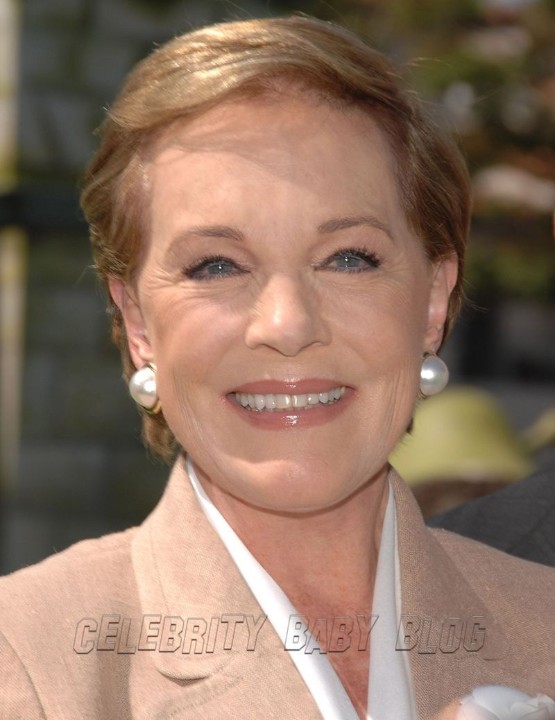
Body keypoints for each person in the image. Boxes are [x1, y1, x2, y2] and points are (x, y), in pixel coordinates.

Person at [0, 16, 554, 720]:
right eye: (216, 265)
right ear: (138, 324)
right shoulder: (28, 660)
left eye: (348, 258)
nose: (287, 325)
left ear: (432, 302)